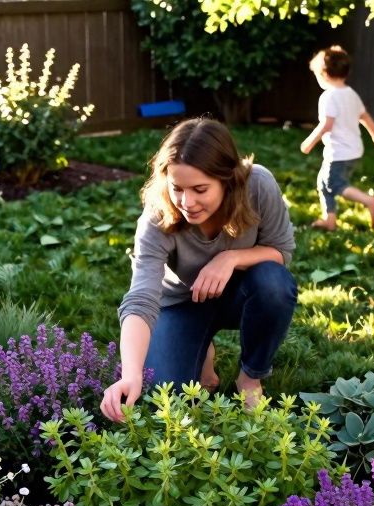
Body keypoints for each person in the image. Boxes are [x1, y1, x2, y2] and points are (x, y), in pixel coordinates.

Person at [100, 118, 297, 422]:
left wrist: (230, 259)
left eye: (200, 189)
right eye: (177, 188)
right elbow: (141, 298)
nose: (186, 202)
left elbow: (281, 253)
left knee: (275, 283)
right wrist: (130, 374)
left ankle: (250, 377)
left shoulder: (258, 185)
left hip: (241, 295)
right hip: (181, 302)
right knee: (166, 399)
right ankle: (200, 347)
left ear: (228, 179)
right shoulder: (158, 213)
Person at [300, 45, 374, 230]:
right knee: (324, 183)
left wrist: (309, 142)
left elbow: (326, 125)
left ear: (324, 74)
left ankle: (369, 201)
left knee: (335, 184)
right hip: (353, 150)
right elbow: (365, 116)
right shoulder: (351, 94)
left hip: (339, 152)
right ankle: (329, 220)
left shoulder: (328, 97)